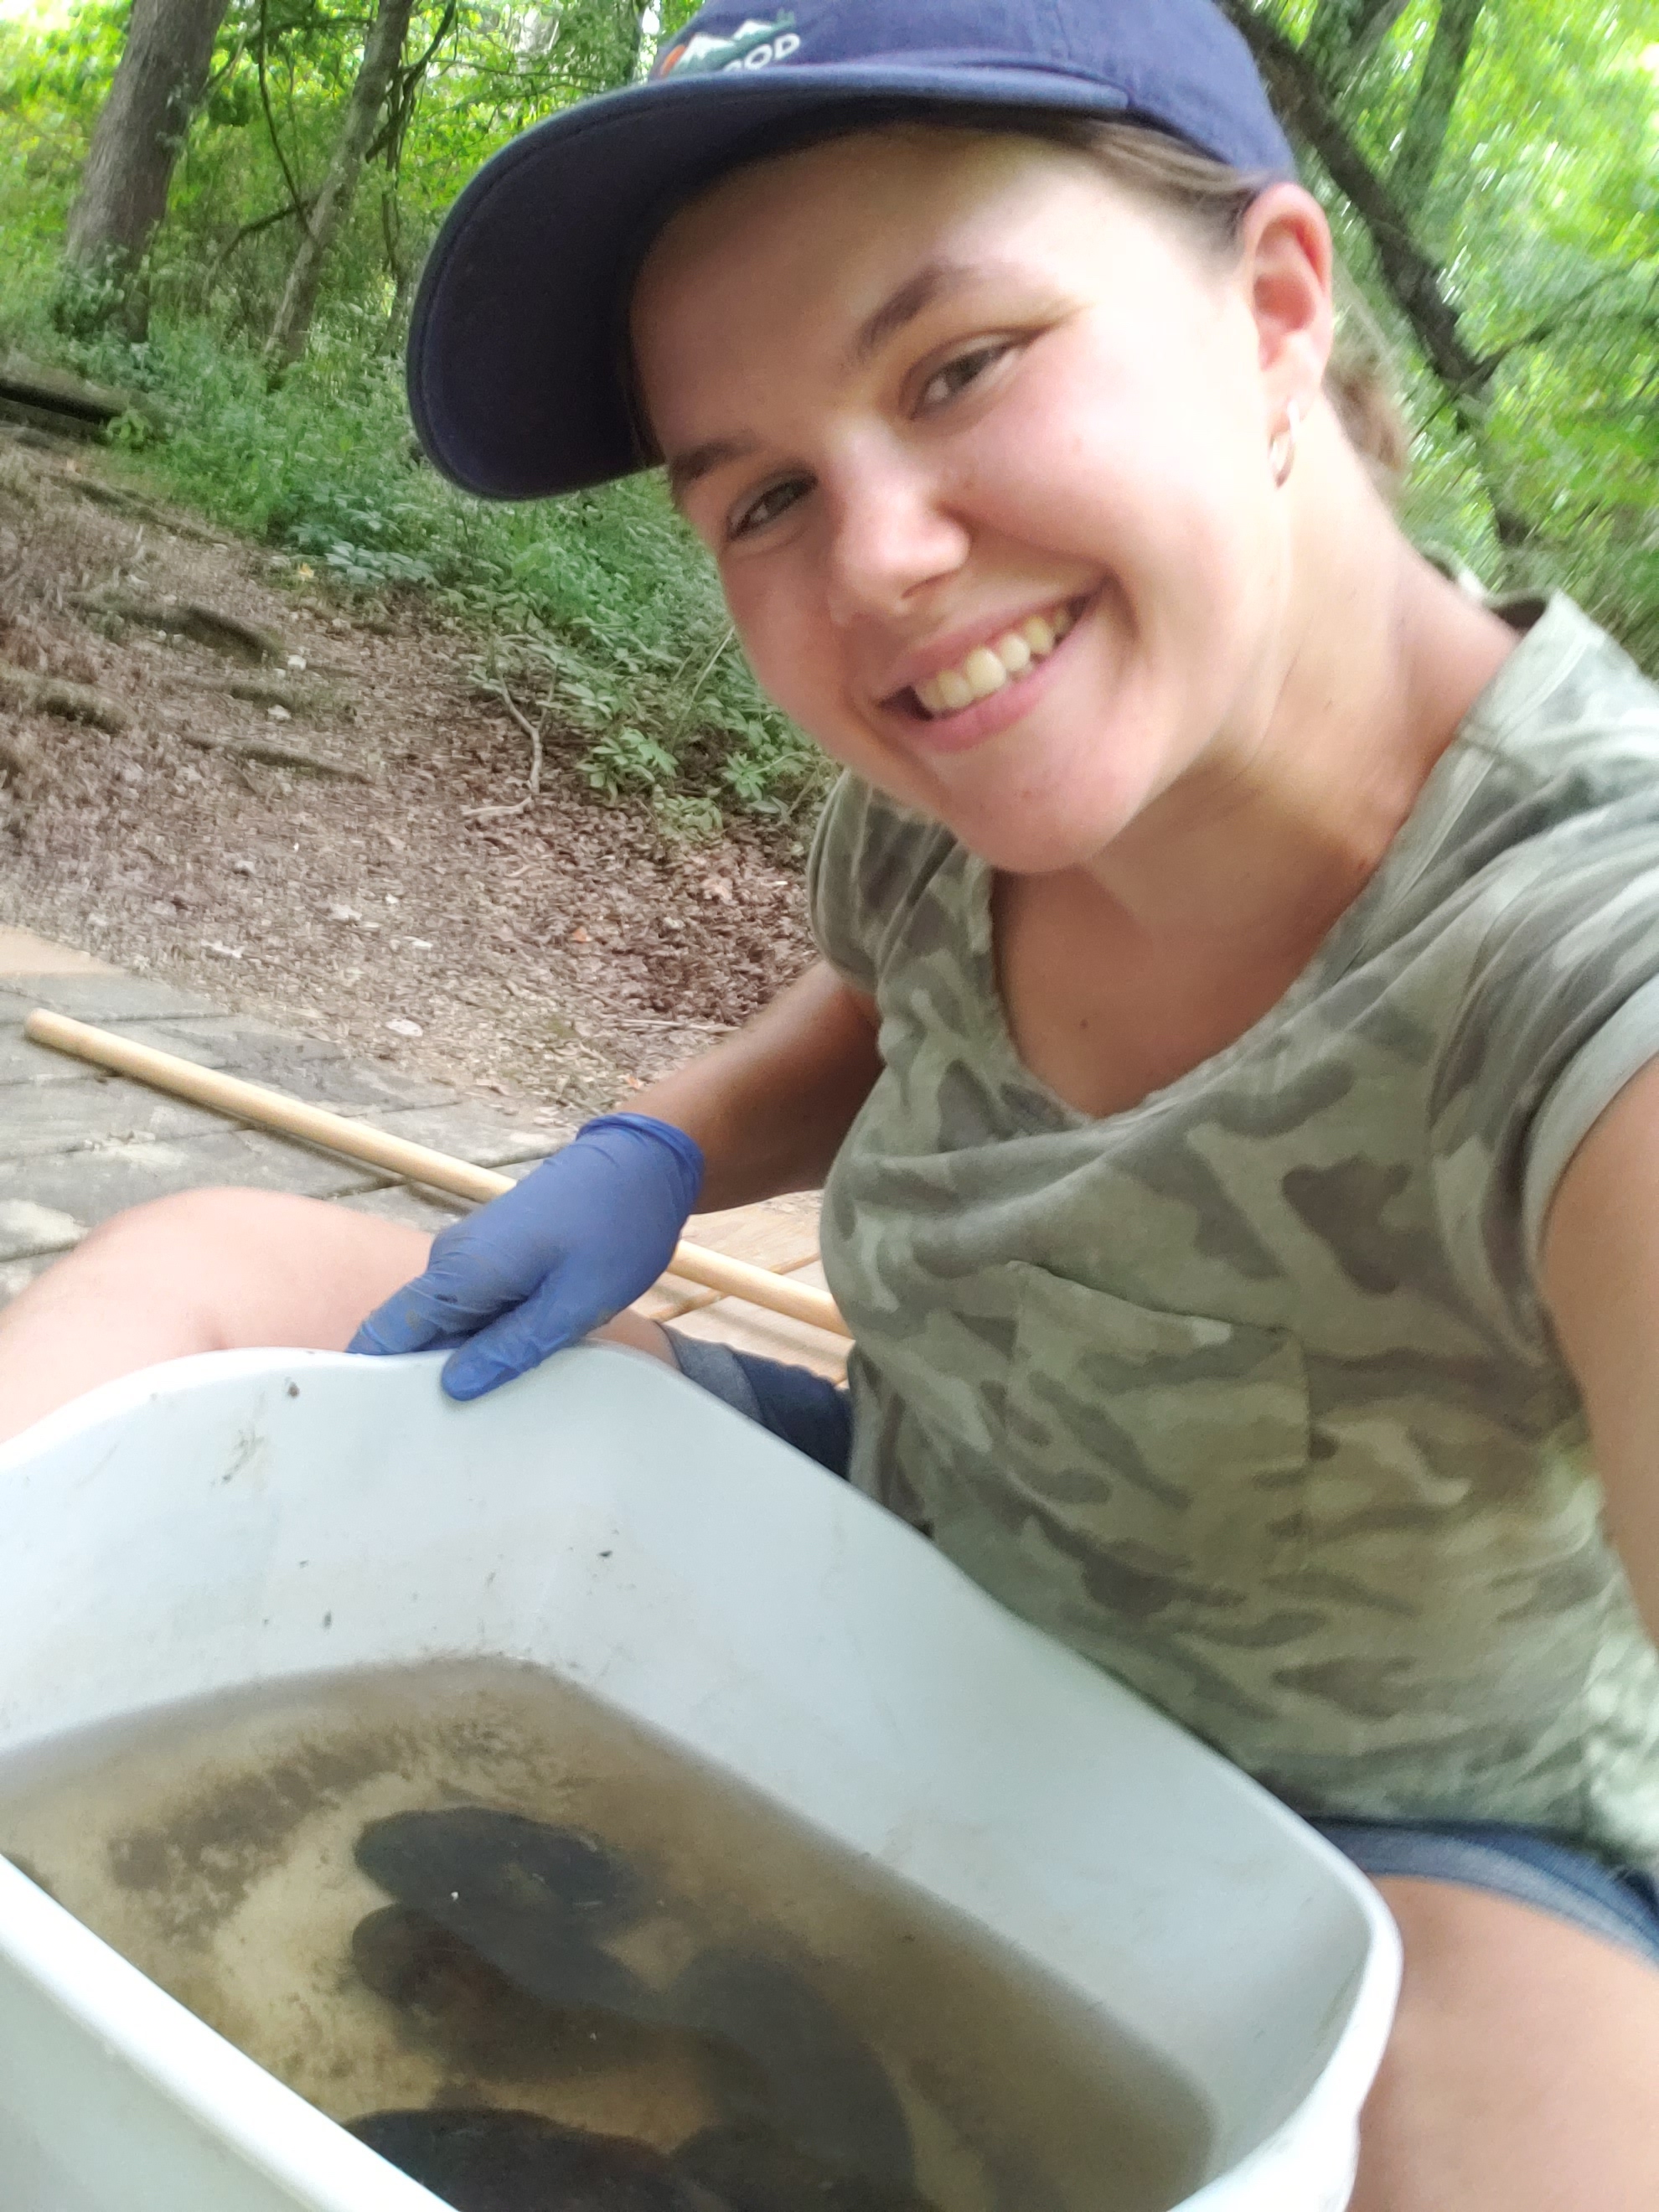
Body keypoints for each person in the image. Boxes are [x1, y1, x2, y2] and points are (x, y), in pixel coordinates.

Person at [5, 1, 1659, 2199]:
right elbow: (869, 1015)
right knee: (207, 1269)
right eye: (762, 490)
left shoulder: (1586, 955)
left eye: (958, 363)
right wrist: (655, 1151)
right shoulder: (958, 779)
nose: (873, 555)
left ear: (1270, 309)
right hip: (905, 1528)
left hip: (1383, 1813)